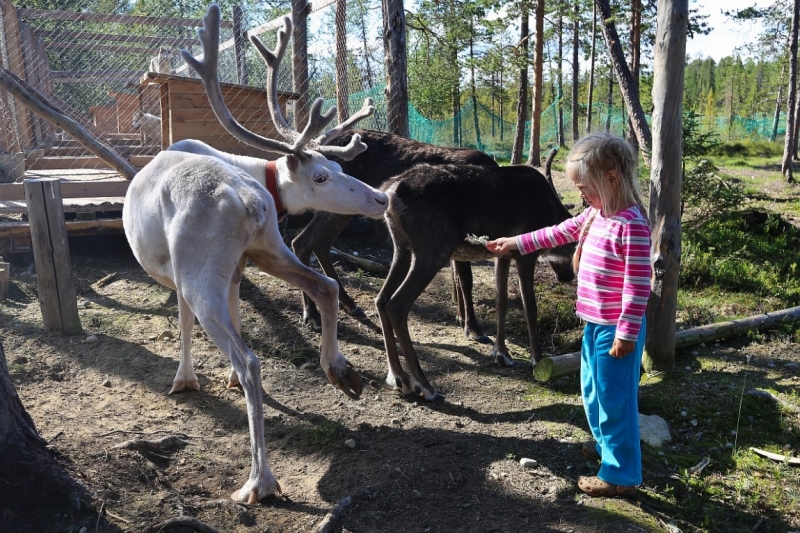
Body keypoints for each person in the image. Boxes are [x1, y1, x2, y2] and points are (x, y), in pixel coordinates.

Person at [485, 132, 651, 498]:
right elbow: (557, 232)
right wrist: (514, 243)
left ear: (611, 178)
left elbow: (638, 288)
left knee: (614, 399)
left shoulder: (632, 226)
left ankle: (620, 475)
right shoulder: (596, 215)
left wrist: (625, 333)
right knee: (592, 393)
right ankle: (606, 445)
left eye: (584, 186)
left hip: (617, 331)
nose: (579, 194)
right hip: (594, 324)